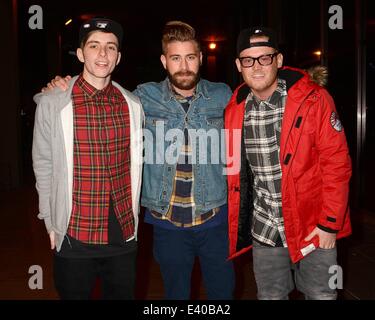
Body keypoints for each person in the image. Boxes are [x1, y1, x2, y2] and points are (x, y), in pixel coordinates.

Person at [41, 21, 234, 300]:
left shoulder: (223, 95)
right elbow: (99, 91)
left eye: (190, 57)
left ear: (201, 58)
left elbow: (259, 95)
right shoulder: (143, 97)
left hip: (214, 219)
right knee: (176, 294)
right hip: (166, 222)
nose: (184, 66)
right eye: (175, 58)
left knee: (222, 294)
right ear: (163, 61)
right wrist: (61, 85)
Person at [225, 26, 352, 300]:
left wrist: (330, 224)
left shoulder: (314, 100)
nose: (256, 67)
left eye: (265, 58)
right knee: (270, 297)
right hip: (265, 229)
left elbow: (337, 164)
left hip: (313, 227)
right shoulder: (234, 109)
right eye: (248, 60)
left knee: (322, 295)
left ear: (278, 60)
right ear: (239, 65)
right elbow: (237, 174)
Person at [32, 17, 143, 299]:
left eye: (110, 47)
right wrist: (49, 221)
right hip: (73, 234)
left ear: (119, 57)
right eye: (94, 46)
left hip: (122, 236)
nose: (102, 54)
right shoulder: (52, 103)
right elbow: (43, 165)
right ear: (81, 54)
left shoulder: (133, 105)